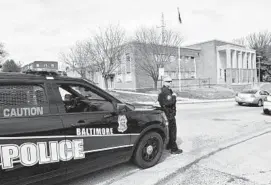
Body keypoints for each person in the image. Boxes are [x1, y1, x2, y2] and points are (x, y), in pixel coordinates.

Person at [158, 76, 183, 154]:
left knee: (169, 130)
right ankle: (174, 149)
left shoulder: (163, 90)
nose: (170, 83)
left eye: (170, 81)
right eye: (168, 81)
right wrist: (174, 96)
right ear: (164, 82)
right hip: (169, 113)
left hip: (166, 112)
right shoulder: (166, 91)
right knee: (172, 131)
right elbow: (169, 102)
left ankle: (169, 145)